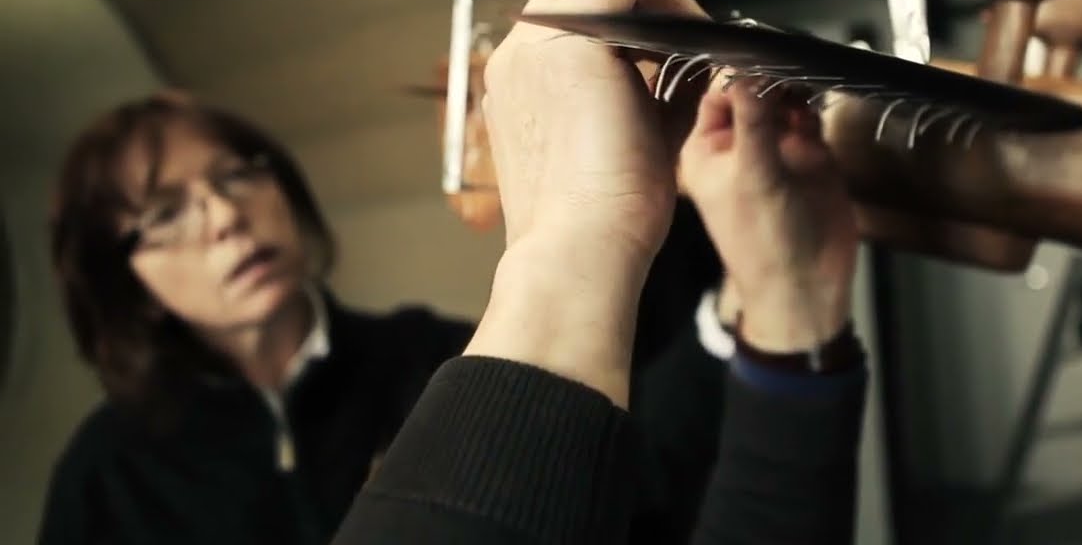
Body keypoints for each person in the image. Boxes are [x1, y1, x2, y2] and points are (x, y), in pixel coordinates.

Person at [329, 0, 870, 544]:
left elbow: (650, 493)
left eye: (240, 169)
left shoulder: (409, 346)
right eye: (190, 203)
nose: (223, 216)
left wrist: (783, 310)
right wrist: (571, 242)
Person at [35, 88, 715, 544]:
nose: (224, 217)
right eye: (165, 214)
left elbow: (638, 482)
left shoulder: (433, 363)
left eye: (234, 175)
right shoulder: (106, 476)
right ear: (129, 283)